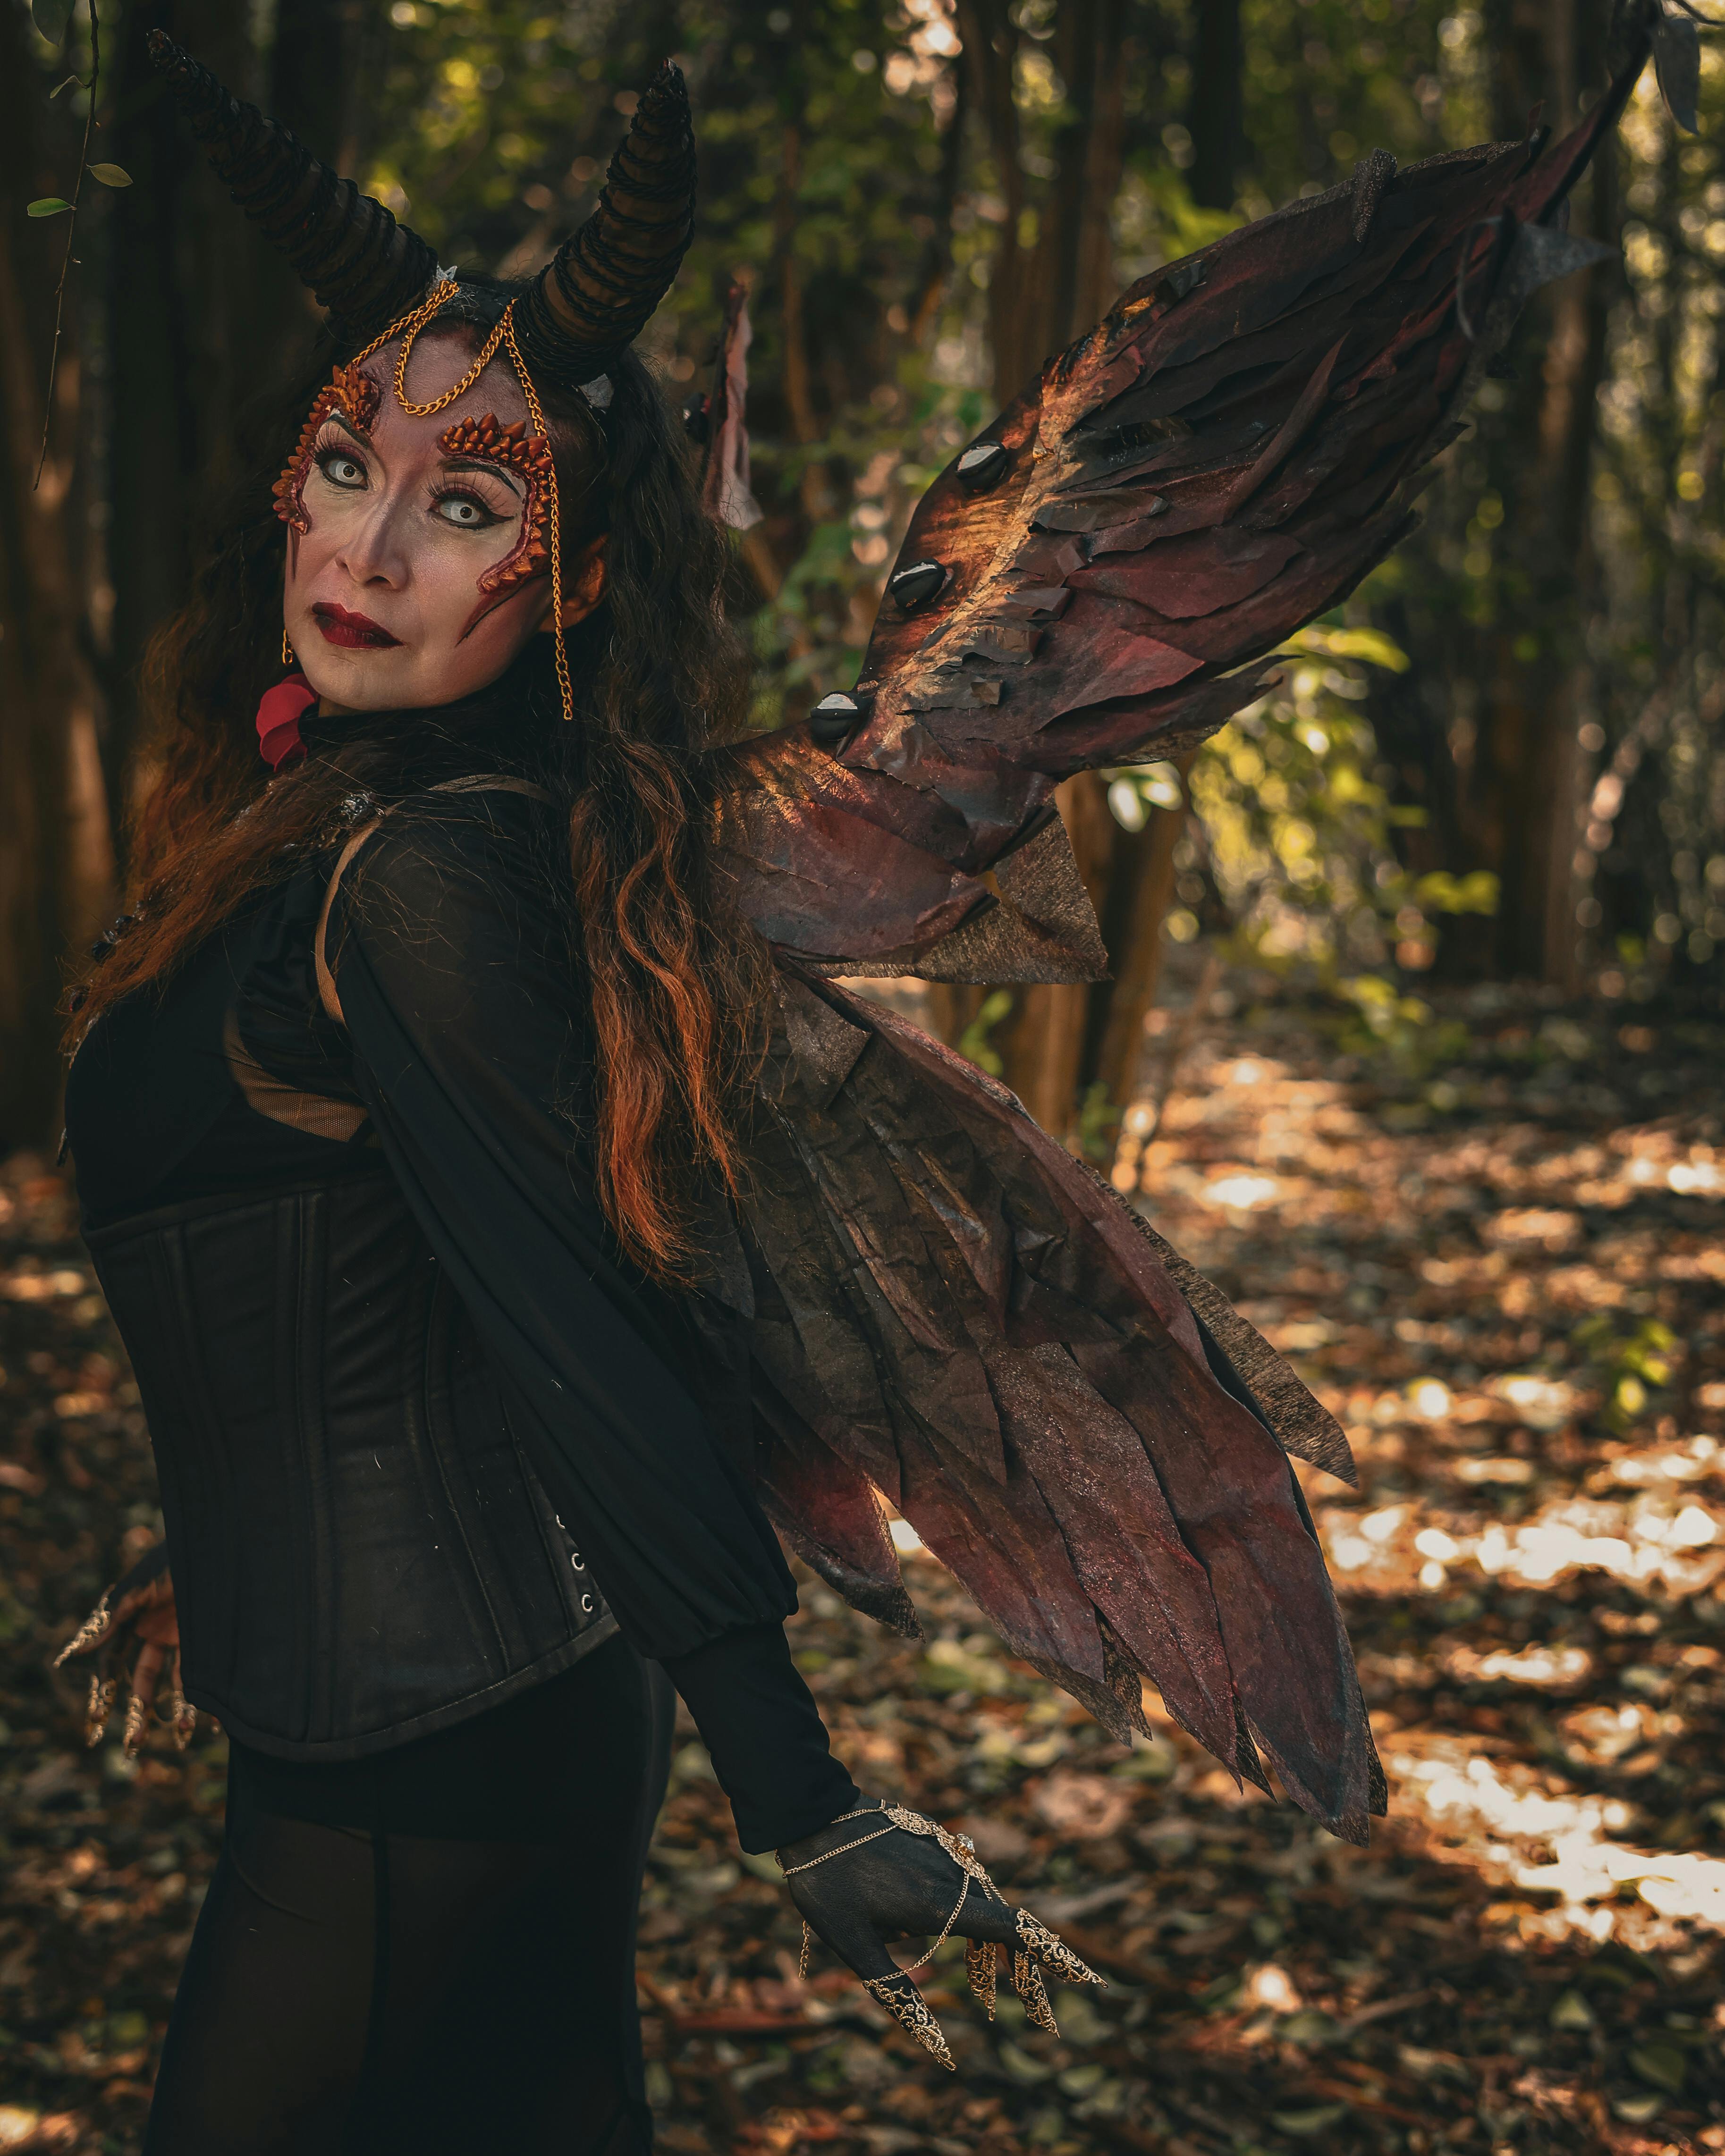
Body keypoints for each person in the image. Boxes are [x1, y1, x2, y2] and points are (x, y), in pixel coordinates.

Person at [51, 19, 1655, 2155]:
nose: (371, 548)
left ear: (568, 574)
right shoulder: (361, 841)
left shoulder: (425, 877)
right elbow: (386, 1269)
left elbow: (580, 1334)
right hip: (412, 1718)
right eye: (347, 467)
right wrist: (226, 1530)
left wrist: (804, 1800)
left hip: (419, 1765)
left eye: (464, 503)